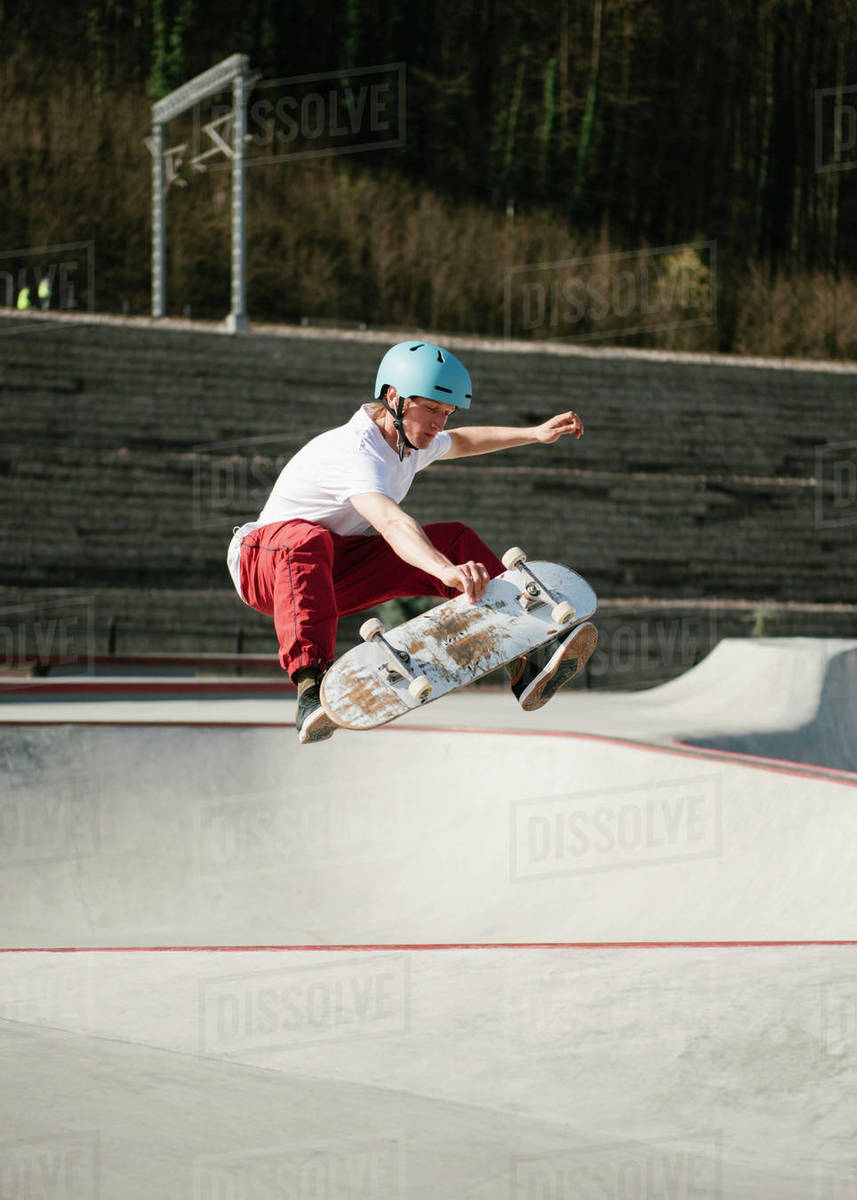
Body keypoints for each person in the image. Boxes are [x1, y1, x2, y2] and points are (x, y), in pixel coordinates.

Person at [226, 340, 597, 742]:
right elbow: (391, 522)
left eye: (447, 412)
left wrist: (533, 434)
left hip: (327, 575)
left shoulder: (407, 440)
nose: (439, 423)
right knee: (308, 541)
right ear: (394, 398)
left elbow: (463, 441)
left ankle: (525, 658)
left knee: (454, 538)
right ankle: (309, 690)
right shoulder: (356, 451)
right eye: (432, 410)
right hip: (263, 565)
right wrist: (443, 570)